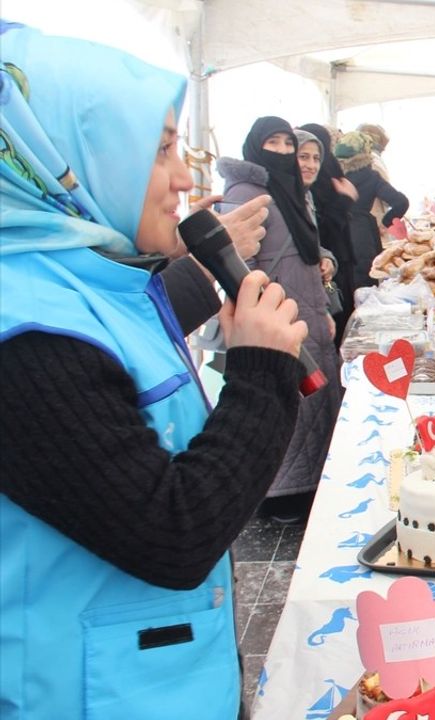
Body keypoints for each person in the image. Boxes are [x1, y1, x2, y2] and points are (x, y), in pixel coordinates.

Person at [0, 23, 306, 715]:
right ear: (59, 152)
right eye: (160, 148)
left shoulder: (81, 284)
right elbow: (175, 533)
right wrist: (258, 373)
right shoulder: (25, 335)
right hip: (80, 693)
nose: (183, 178)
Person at [219, 118, 343, 524]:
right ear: (255, 145)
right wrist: (255, 311)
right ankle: (277, 495)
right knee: (284, 400)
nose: (285, 152)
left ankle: (304, 487)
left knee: (310, 401)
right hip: (274, 310)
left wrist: (325, 267)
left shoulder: (290, 190)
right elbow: (236, 260)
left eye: (288, 144)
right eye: (273, 142)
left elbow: (303, 246)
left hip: (304, 304)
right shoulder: (244, 192)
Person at [299, 123, 360, 344]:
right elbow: (325, 227)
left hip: (331, 263)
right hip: (329, 265)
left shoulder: (321, 177)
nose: (311, 164)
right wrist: (344, 201)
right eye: (303, 156)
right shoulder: (310, 184)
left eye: (315, 157)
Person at [335, 130, 409, 289]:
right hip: (362, 235)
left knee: (340, 285)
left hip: (335, 234)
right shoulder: (370, 176)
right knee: (365, 288)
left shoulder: (330, 175)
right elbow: (401, 202)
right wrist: (386, 222)